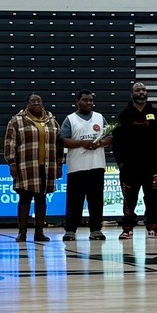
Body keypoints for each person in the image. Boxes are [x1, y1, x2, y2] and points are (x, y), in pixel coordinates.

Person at [112, 82, 157, 239]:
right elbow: (116, 141)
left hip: (153, 166)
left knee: (152, 198)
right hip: (130, 167)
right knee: (130, 199)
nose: (141, 92)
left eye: (144, 90)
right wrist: (120, 162)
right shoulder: (123, 115)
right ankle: (128, 227)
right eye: (138, 90)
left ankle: (153, 226)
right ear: (132, 94)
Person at [5, 94, 61, 242]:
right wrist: (12, 163)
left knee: (41, 198)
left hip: (47, 167)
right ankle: (22, 232)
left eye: (39, 101)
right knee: (24, 198)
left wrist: (60, 163)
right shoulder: (17, 121)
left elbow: (59, 145)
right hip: (25, 166)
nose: (37, 103)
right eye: (33, 101)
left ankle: (39, 232)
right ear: (27, 104)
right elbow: (10, 144)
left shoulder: (52, 121)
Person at [60, 89, 111, 242]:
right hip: (77, 167)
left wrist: (100, 143)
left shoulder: (100, 117)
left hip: (97, 165)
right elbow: (63, 140)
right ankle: (70, 230)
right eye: (85, 100)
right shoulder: (70, 119)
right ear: (78, 102)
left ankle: (96, 229)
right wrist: (82, 143)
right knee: (75, 201)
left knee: (96, 201)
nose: (89, 103)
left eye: (91, 100)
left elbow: (110, 136)